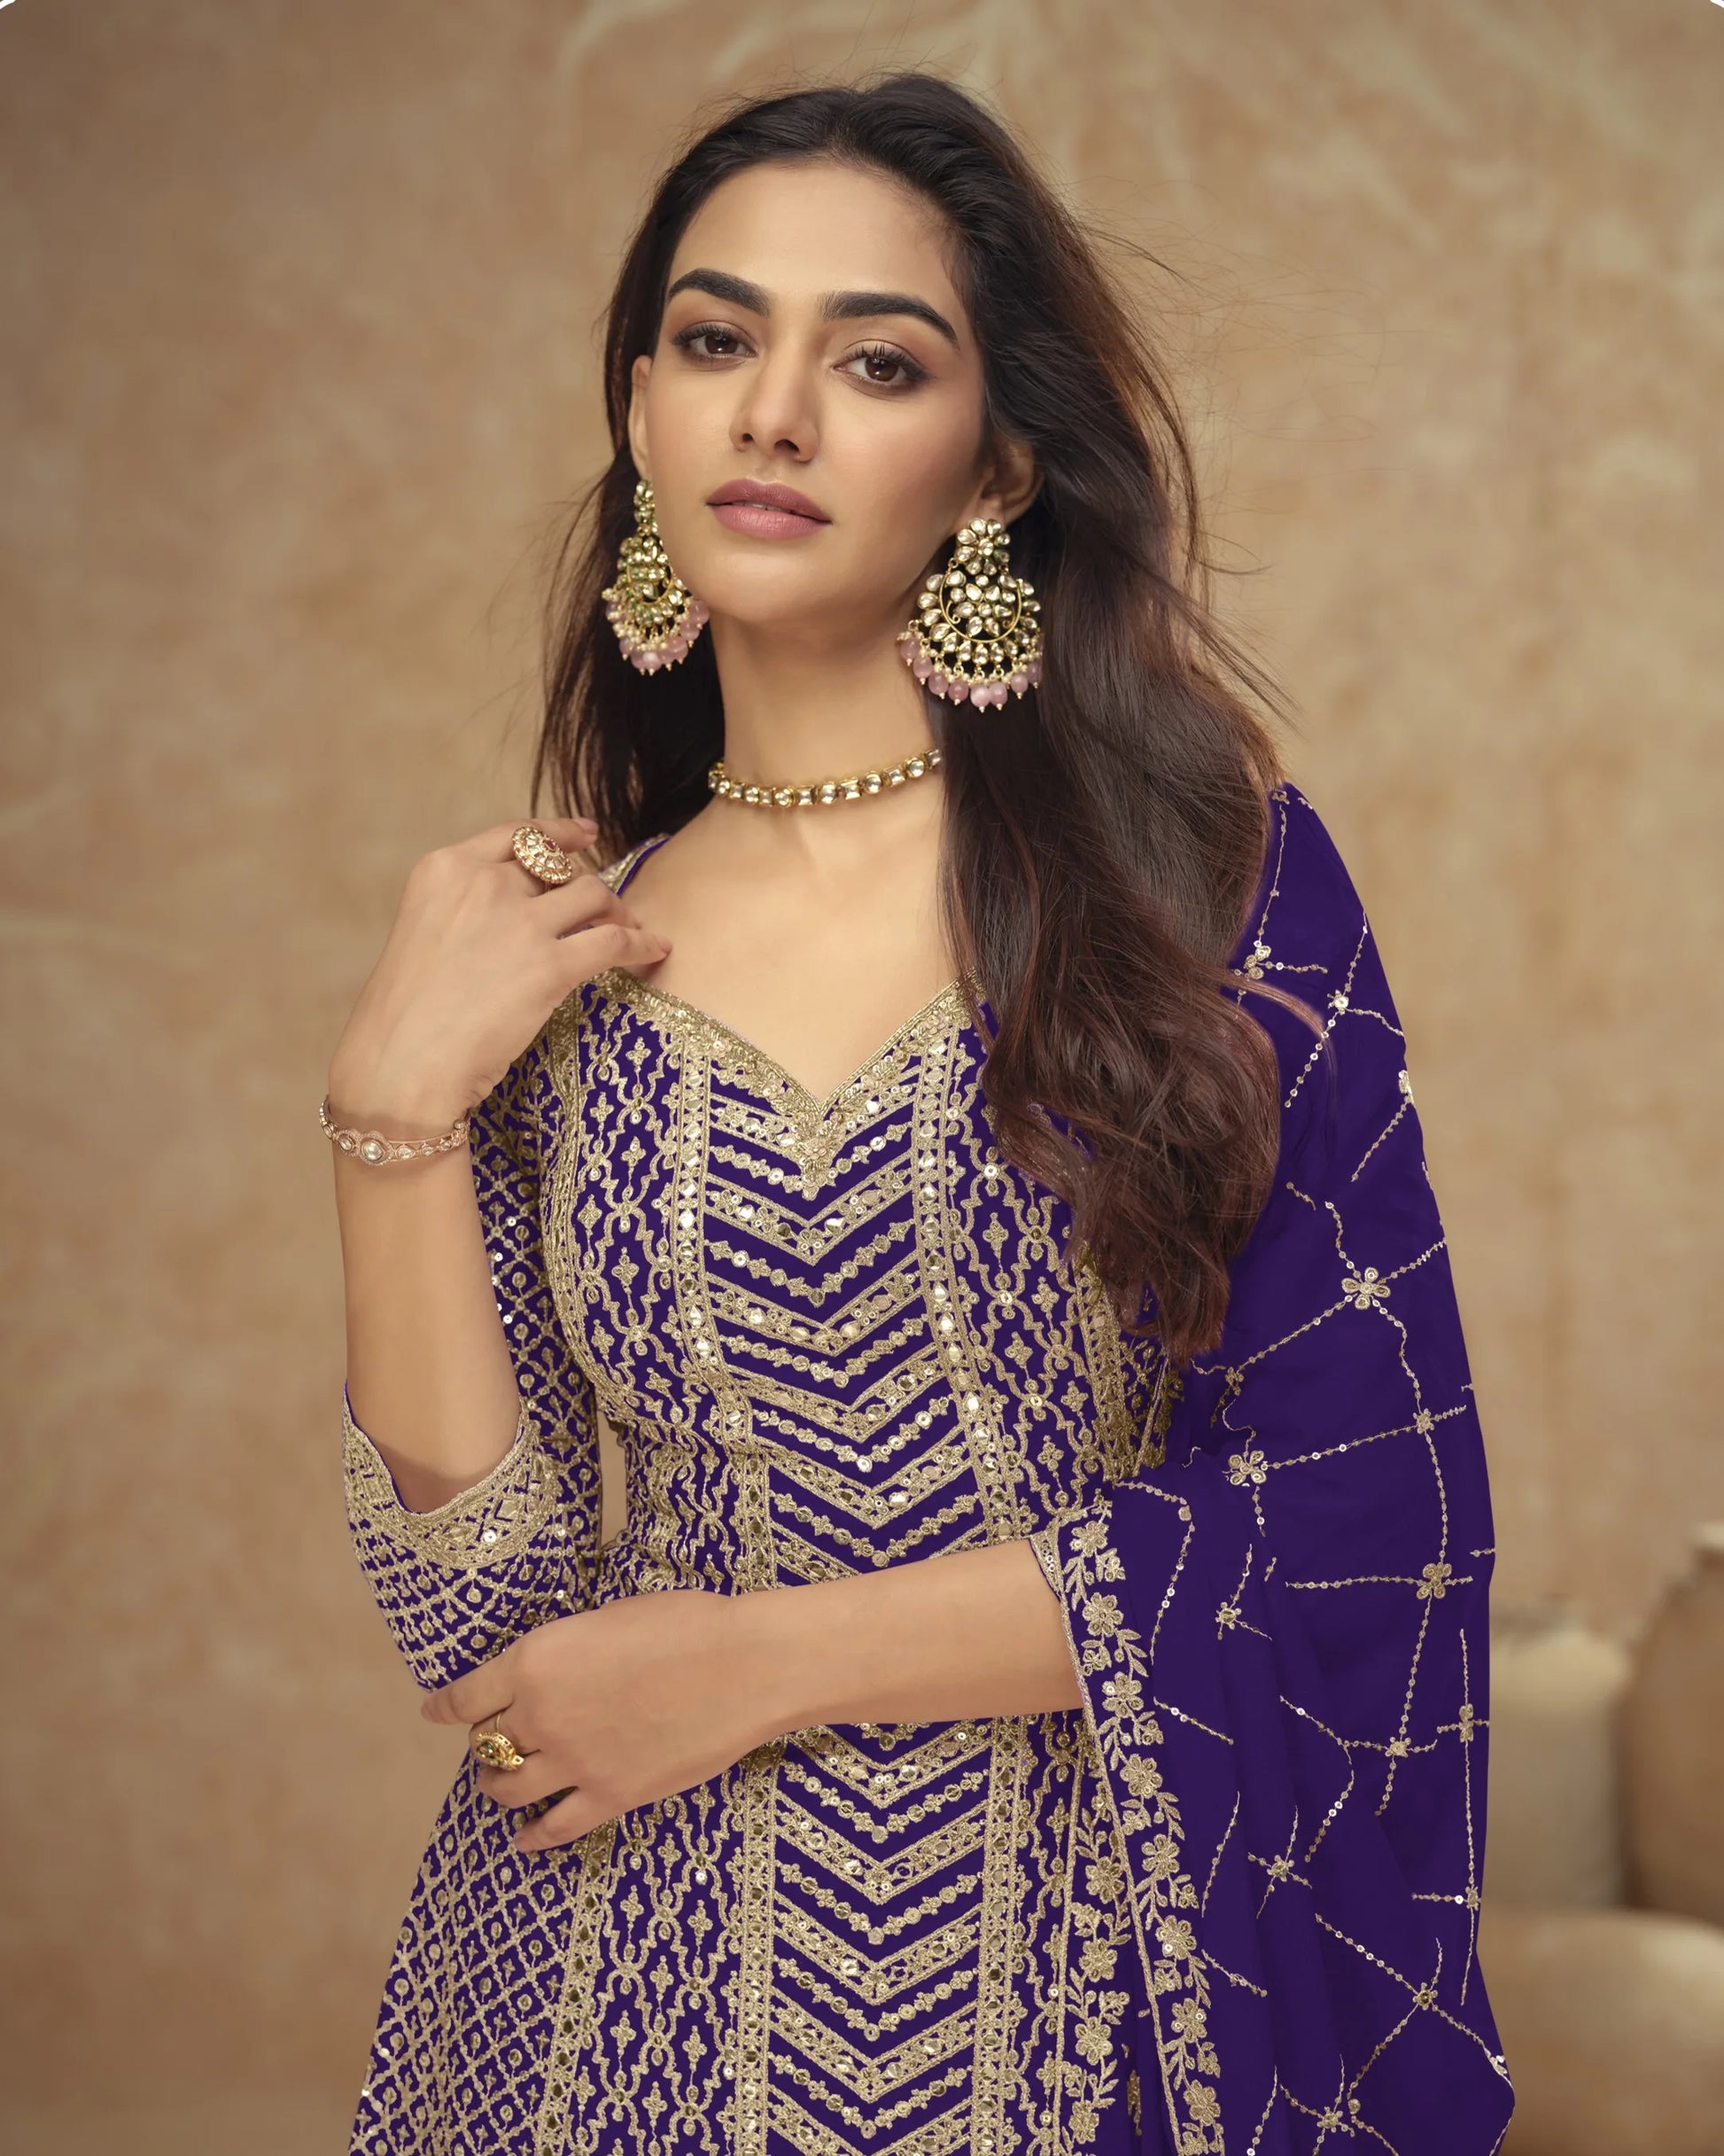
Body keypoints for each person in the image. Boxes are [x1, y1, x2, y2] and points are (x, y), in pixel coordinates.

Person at [324, 72, 1513, 2156]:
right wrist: (390, 1109)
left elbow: (1364, 1517)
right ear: (640, 410)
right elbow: (484, 1628)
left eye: (873, 360)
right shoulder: (553, 953)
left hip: (1102, 1994)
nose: (771, 411)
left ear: (995, 468)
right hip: (607, 2023)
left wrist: (761, 1663)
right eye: (715, 339)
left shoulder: (1199, 892)